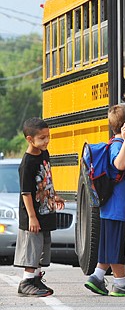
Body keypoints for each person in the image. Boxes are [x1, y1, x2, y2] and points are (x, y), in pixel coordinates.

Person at [84, 105, 125, 297]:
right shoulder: (118, 145)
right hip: (116, 207)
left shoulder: (114, 142)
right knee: (116, 247)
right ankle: (119, 283)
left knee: (110, 245)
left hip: (111, 208)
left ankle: (97, 276)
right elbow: (119, 164)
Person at [14, 117, 65, 297]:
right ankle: (26, 282)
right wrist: (32, 217)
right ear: (29, 139)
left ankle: (35, 279)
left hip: (45, 210)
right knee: (32, 249)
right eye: (42, 138)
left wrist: (54, 195)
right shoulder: (27, 163)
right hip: (33, 215)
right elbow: (26, 193)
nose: (46, 140)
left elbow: (46, 178)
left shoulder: (44, 154)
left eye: (48, 136)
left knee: (42, 249)